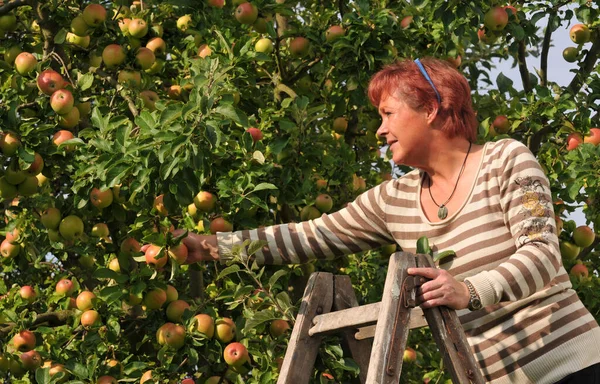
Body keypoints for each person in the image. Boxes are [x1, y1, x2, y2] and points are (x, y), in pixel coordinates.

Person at [177, 58, 600, 383]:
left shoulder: (506, 159)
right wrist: (206, 247)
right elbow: (307, 235)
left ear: (432, 108)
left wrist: (469, 289)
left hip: (575, 365)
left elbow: (542, 254)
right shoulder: (392, 200)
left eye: (388, 114)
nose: (380, 130)